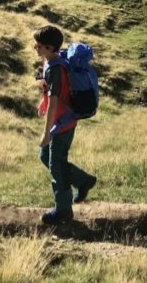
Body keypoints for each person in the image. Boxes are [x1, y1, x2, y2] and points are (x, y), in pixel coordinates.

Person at [34, 24, 97, 224]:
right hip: (62, 122)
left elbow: (54, 102)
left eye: (39, 45)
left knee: (56, 167)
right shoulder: (51, 61)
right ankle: (82, 180)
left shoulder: (54, 68)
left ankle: (63, 211)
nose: (35, 47)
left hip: (62, 124)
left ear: (50, 48)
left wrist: (47, 133)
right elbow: (50, 93)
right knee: (45, 156)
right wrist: (41, 102)